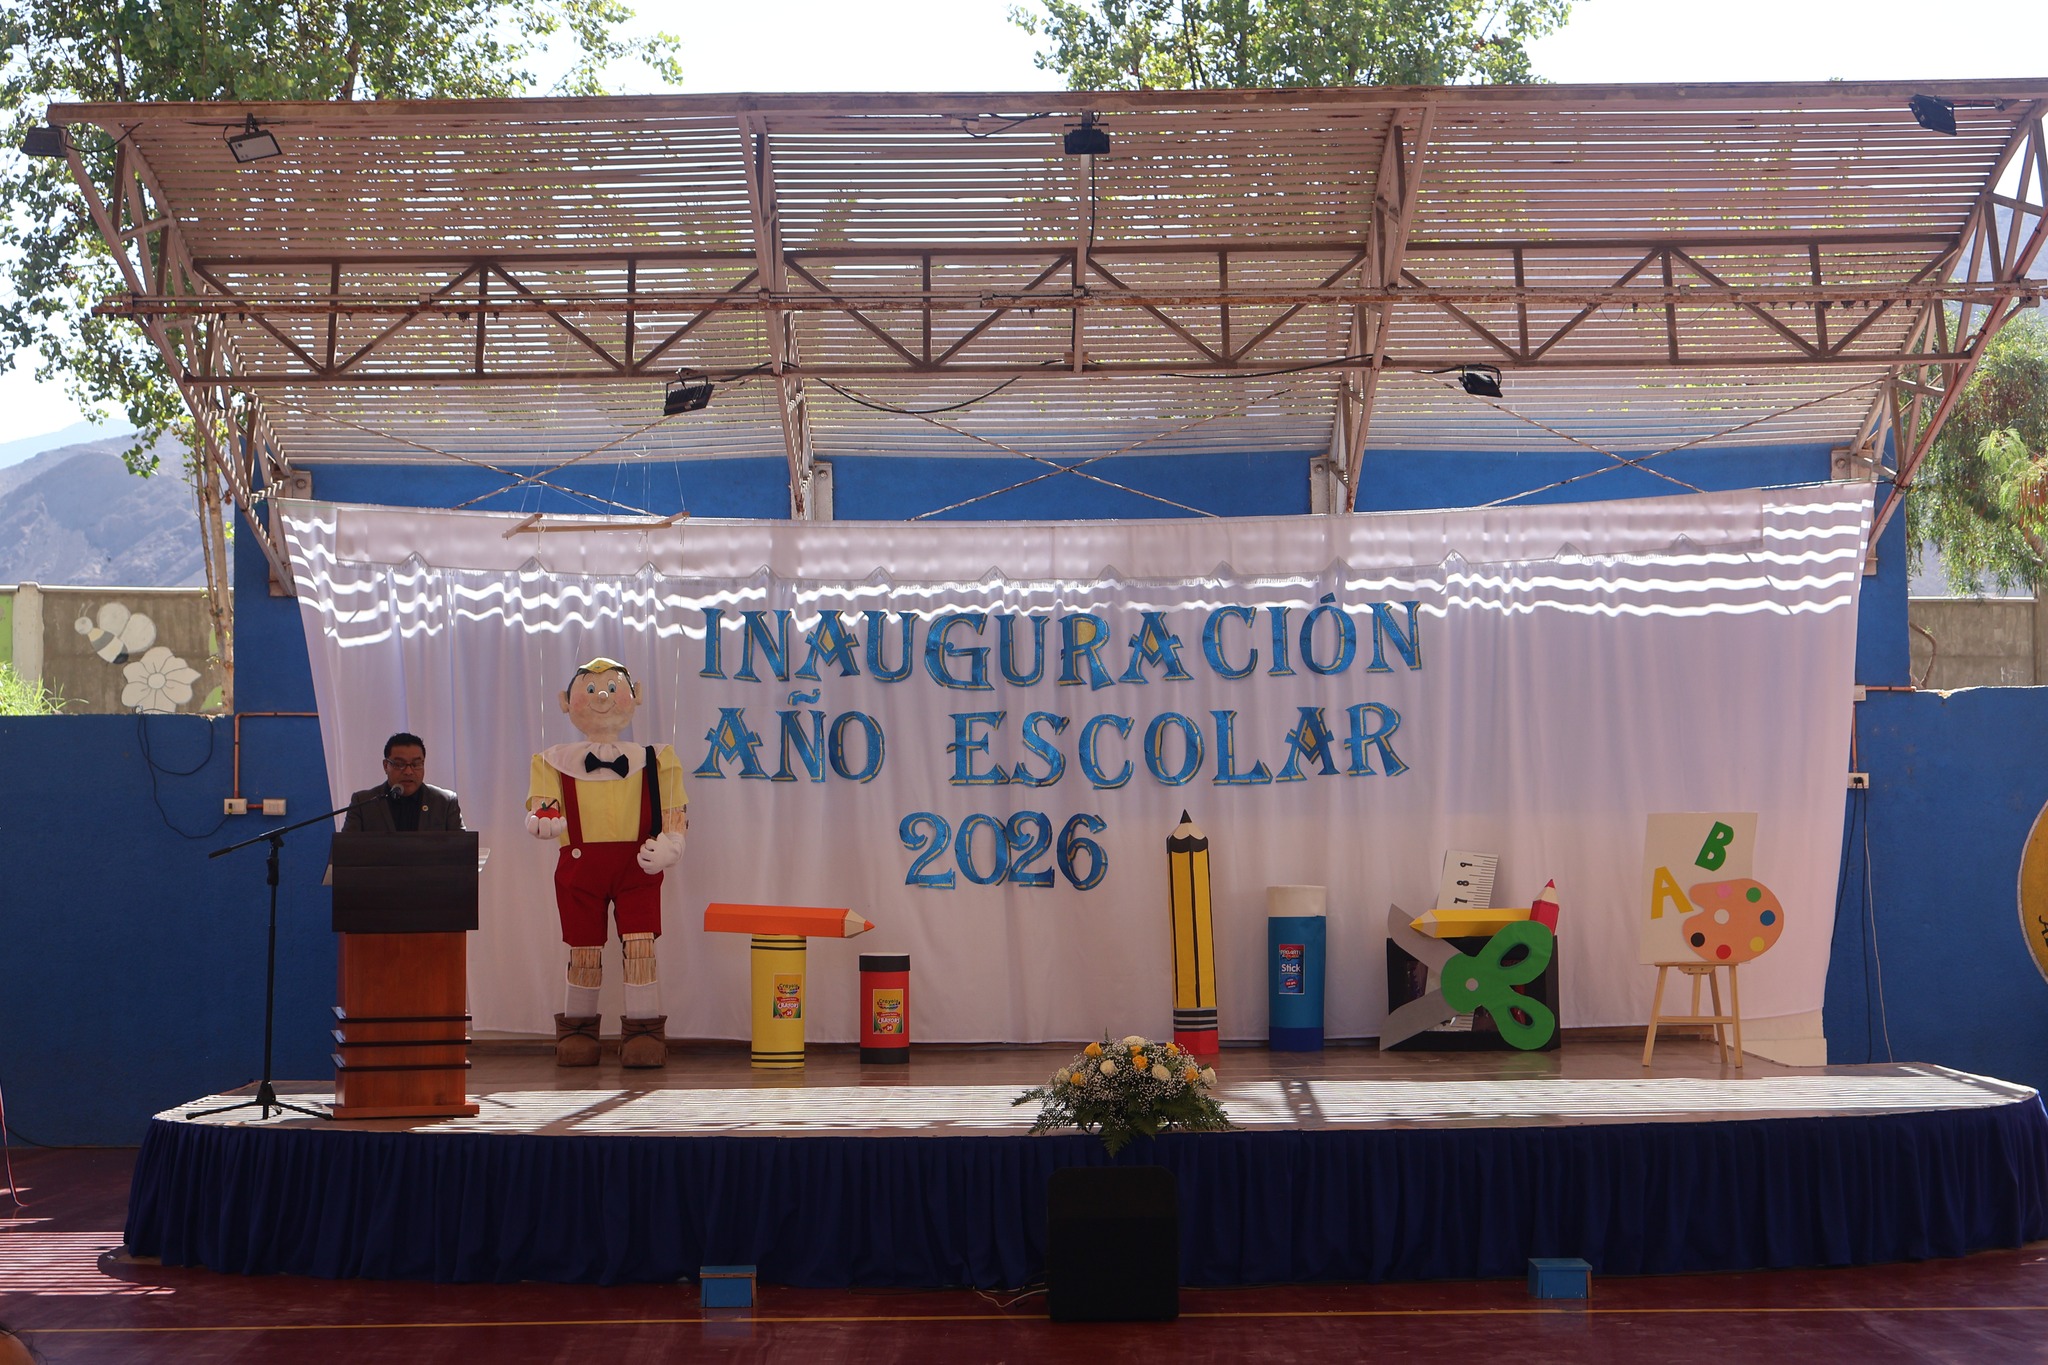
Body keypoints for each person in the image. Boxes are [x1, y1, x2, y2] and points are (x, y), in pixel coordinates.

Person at [526, 659, 687, 1068]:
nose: (602, 696)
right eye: (591, 688)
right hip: (580, 868)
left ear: (636, 696)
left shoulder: (658, 758)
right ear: (566, 702)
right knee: (583, 948)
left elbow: (674, 812)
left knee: (640, 945)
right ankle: (577, 1029)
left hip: (639, 866)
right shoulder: (551, 760)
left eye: (613, 688)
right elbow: (544, 807)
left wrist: (672, 844)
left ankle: (644, 1029)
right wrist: (542, 821)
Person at [343, 732, 465, 833]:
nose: (408, 771)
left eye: (416, 764)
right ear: (386, 766)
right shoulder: (363, 803)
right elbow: (346, 853)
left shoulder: (444, 802)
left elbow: (462, 851)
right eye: (400, 764)